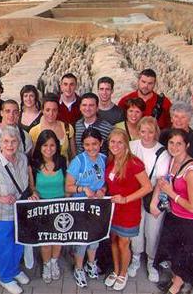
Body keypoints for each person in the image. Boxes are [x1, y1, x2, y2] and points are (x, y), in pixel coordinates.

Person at [153, 129, 193, 294]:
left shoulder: (192, 171)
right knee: (176, 253)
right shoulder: (173, 161)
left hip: (191, 222)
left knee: (184, 256)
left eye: (179, 143)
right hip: (176, 216)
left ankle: (176, 287)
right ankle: (175, 280)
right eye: (171, 143)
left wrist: (171, 193)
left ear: (187, 145)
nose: (174, 147)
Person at [0, 126, 32, 294]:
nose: (10, 145)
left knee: (18, 243)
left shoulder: (23, 158)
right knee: (4, 247)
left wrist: (33, 193)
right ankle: (5, 278)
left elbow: (26, 182)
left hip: (20, 211)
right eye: (6, 141)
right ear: (0, 144)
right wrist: (0, 198)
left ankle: (14, 270)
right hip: (0, 214)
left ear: (18, 143)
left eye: (14, 141)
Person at [104, 128, 152, 291]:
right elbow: (110, 184)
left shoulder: (134, 163)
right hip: (113, 210)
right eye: (112, 142)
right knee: (114, 241)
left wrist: (126, 199)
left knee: (124, 243)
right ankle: (116, 270)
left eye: (119, 142)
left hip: (128, 211)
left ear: (126, 144)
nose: (115, 145)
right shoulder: (110, 161)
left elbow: (147, 187)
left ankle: (123, 273)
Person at [128, 116, 170, 282]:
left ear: (156, 133)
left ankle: (152, 262)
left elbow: (160, 180)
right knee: (136, 230)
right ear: (138, 131)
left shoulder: (162, 152)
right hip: (134, 195)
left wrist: (154, 203)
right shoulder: (132, 146)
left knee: (152, 231)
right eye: (143, 131)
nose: (146, 135)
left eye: (150, 132)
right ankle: (136, 259)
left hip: (154, 195)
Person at [65, 128, 107, 288]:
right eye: (87, 145)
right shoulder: (79, 161)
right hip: (81, 207)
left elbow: (105, 182)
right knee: (82, 240)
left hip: (97, 206)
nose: (91, 148)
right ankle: (79, 268)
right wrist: (83, 189)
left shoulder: (103, 159)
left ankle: (91, 263)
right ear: (83, 145)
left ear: (101, 143)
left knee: (95, 237)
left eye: (94, 144)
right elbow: (68, 186)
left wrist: (102, 190)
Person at [29, 130, 67, 283]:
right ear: (39, 146)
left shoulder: (63, 161)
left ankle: (54, 263)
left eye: (52, 145)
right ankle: (46, 265)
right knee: (46, 241)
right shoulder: (33, 164)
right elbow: (32, 187)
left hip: (60, 207)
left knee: (58, 239)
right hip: (43, 208)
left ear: (57, 146)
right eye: (45, 145)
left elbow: (67, 184)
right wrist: (33, 193)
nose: (49, 149)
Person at [29, 93, 75, 161]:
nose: (51, 114)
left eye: (54, 110)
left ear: (58, 111)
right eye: (47, 110)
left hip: (65, 169)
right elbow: (32, 158)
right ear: (42, 110)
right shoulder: (34, 131)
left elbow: (73, 154)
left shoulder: (67, 128)